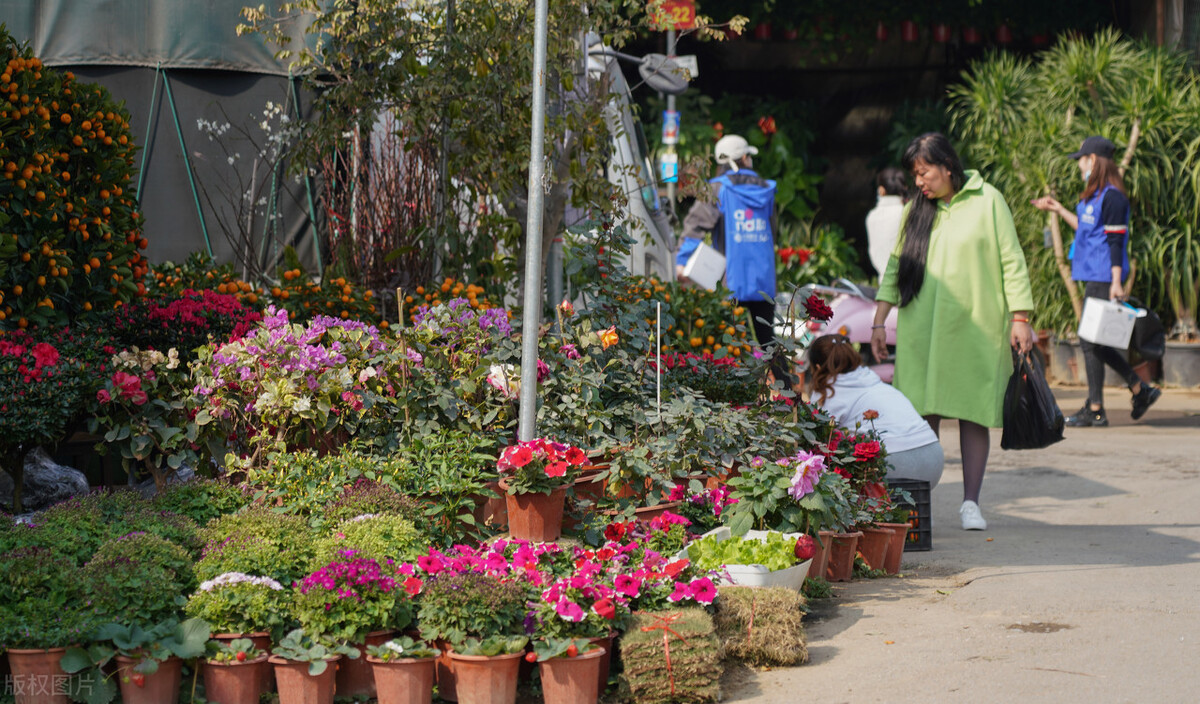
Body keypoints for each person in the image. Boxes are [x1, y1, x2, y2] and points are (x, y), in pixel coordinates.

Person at [870, 133, 1035, 531]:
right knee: (921, 416)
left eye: (924, 173)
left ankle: (971, 504)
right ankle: (917, 506)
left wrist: (1020, 317)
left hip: (975, 329)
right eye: (916, 175)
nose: (920, 182)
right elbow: (895, 267)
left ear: (947, 166)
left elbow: (1012, 259)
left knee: (972, 413)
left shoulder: (989, 200)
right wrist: (880, 319)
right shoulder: (916, 210)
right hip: (921, 328)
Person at [1031, 135, 1161, 427]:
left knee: (1090, 341)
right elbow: (1086, 230)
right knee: (1092, 342)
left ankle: (1100, 406)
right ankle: (1136, 390)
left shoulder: (1113, 196)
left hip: (1104, 275)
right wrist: (1059, 210)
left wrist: (1116, 281)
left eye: (1081, 159)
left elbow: (1116, 241)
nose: (1078, 165)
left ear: (1093, 160)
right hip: (1091, 273)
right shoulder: (1096, 195)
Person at [676, 134, 792, 384]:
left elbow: (695, 226)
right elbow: (772, 232)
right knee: (767, 338)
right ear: (744, 158)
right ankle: (790, 399)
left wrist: (682, 261)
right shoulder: (765, 189)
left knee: (732, 342)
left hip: (732, 280)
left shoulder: (718, 188)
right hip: (763, 278)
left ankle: (739, 401)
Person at [809, 334, 944, 488]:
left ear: (818, 367)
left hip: (895, 461)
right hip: (933, 455)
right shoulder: (871, 379)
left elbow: (816, 438)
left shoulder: (829, 390)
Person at [865, 167, 908, 279]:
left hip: (883, 283)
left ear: (881, 190)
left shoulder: (872, 216)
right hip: (909, 284)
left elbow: (874, 253)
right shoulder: (907, 212)